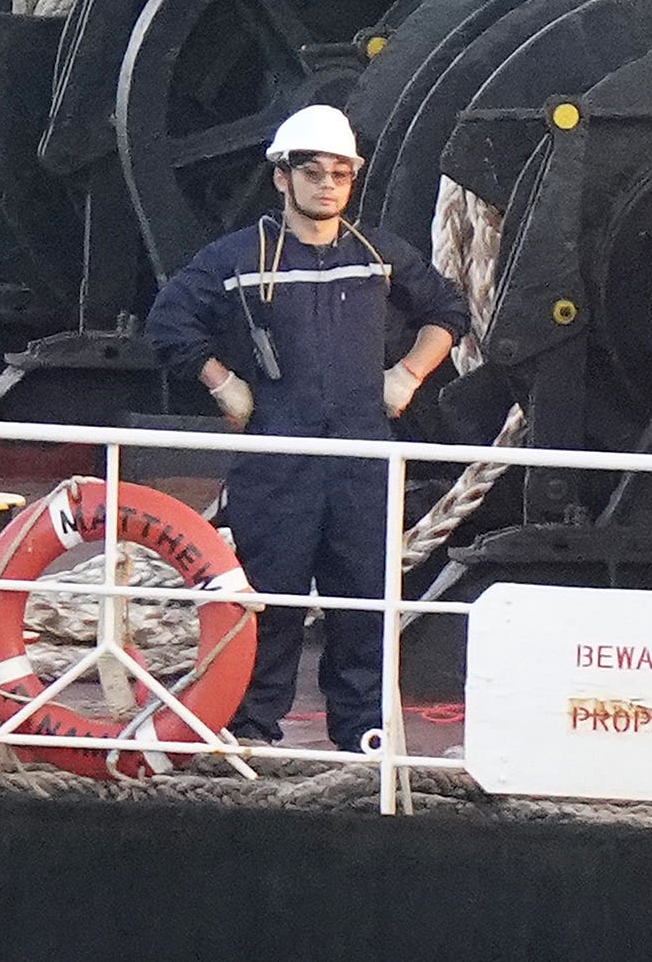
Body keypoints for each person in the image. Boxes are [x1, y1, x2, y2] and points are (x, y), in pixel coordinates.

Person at [146, 104, 469, 751]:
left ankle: (365, 739)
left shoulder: (378, 257)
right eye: (313, 171)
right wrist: (225, 384)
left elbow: (447, 309)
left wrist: (406, 375)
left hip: (362, 462)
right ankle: (252, 734)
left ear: (353, 179)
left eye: (340, 173)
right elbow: (168, 321)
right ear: (281, 178)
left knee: (362, 609)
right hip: (277, 465)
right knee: (269, 605)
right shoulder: (237, 259)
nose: (327, 184)